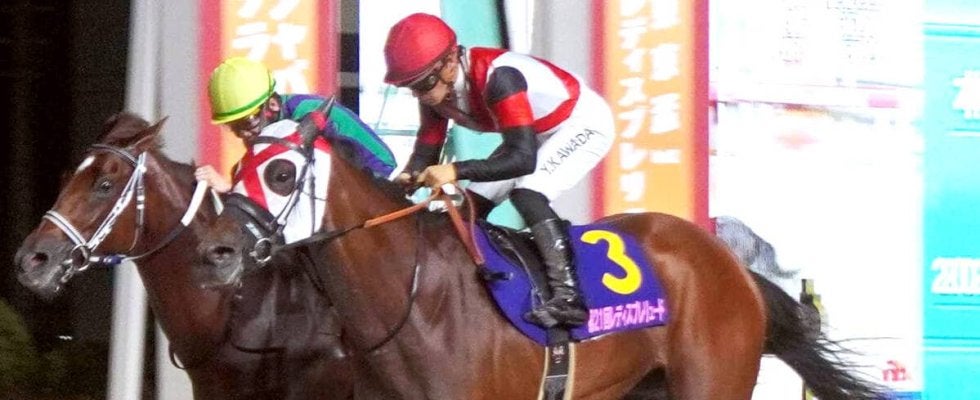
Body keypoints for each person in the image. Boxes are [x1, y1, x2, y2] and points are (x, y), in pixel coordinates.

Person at [383, 13, 616, 329]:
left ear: (450, 62)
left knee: (528, 194)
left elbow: (522, 160)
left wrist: (455, 169)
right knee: (468, 208)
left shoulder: (499, 79)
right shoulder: (435, 89)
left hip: (580, 123)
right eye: (410, 86)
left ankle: (569, 298)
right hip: (532, 134)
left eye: (422, 84)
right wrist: (408, 177)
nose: (419, 94)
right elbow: (427, 148)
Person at [195, 57, 397, 191]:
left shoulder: (304, 115)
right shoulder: (272, 127)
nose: (243, 134)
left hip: (378, 175)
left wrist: (229, 188)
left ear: (272, 105)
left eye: (247, 122)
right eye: (233, 126)